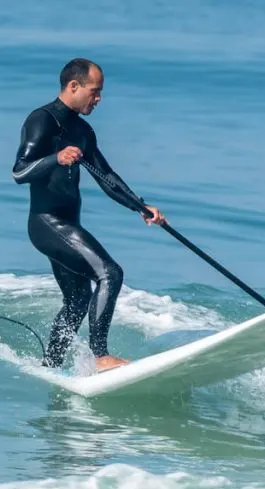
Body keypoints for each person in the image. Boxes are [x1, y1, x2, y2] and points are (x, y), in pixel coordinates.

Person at [12, 57, 166, 373]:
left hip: (69, 223)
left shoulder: (83, 130)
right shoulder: (41, 120)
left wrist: (140, 206)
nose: (98, 99)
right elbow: (19, 172)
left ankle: (50, 366)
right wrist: (56, 158)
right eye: (94, 92)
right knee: (110, 273)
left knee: (78, 298)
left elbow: (106, 176)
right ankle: (101, 358)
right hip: (47, 223)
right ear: (74, 86)